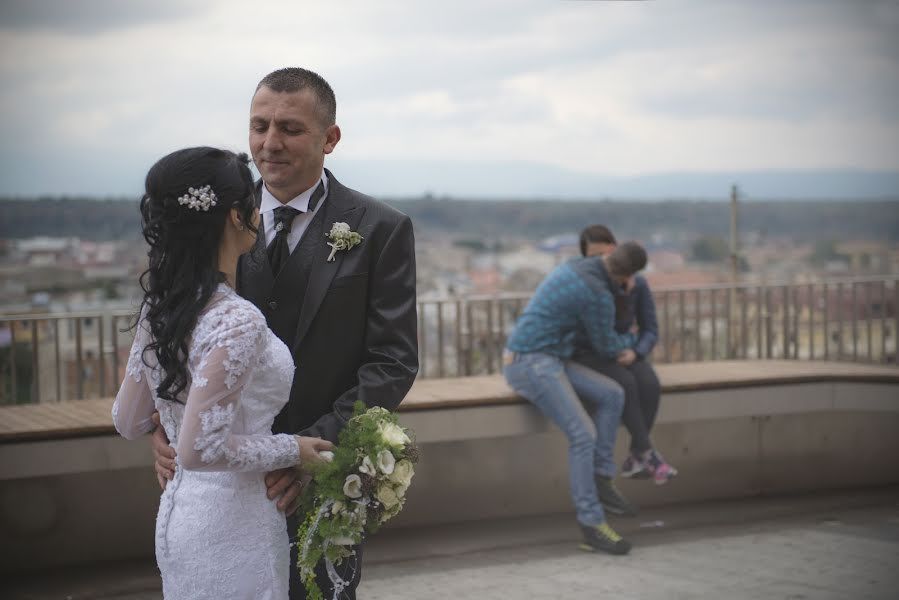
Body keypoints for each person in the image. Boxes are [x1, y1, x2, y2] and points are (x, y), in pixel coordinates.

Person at [150, 68, 419, 599]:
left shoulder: (382, 228)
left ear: (330, 138)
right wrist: (166, 425)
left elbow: (392, 360)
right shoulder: (209, 220)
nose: (269, 143)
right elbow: (168, 333)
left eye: (290, 129)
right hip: (222, 487)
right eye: (259, 126)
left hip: (321, 476)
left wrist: (313, 454)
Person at [113, 147, 335, 599]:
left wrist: (168, 425)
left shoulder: (162, 308)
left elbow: (128, 419)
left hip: (181, 517)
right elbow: (201, 449)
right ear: (237, 216)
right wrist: (293, 447)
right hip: (237, 523)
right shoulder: (238, 319)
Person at [503, 243, 648, 556]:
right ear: (627, 276)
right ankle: (592, 525)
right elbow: (607, 346)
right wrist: (632, 340)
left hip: (550, 357)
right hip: (529, 362)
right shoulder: (597, 293)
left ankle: (601, 478)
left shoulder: (578, 265)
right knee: (584, 435)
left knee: (612, 394)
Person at [576, 226, 677, 484]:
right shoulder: (590, 284)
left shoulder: (638, 285)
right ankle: (648, 454)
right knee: (627, 384)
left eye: (606, 254)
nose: (601, 262)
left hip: (627, 350)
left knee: (650, 384)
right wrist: (620, 291)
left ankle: (636, 455)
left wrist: (636, 352)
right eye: (593, 257)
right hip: (597, 353)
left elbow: (650, 329)